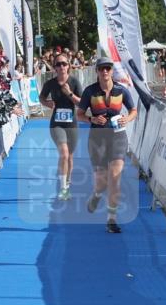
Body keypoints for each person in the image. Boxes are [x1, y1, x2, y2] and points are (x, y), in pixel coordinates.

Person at [76, 57, 137, 234]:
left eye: (108, 68)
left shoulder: (121, 90)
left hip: (118, 137)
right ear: (97, 71)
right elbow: (79, 114)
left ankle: (111, 219)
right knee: (102, 182)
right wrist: (91, 119)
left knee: (115, 177)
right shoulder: (90, 91)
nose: (105, 71)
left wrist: (127, 118)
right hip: (97, 138)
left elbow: (133, 110)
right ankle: (96, 195)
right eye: (101, 68)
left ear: (111, 71)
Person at [39, 53, 83, 201]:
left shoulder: (74, 82)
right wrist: (47, 103)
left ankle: (67, 184)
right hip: (56, 124)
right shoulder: (50, 84)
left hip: (72, 124)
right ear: (55, 67)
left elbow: (81, 103)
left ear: (68, 66)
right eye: (58, 64)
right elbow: (41, 97)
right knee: (64, 154)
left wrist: (69, 93)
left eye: (64, 63)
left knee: (70, 156)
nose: (62, 66)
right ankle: (63, 189)